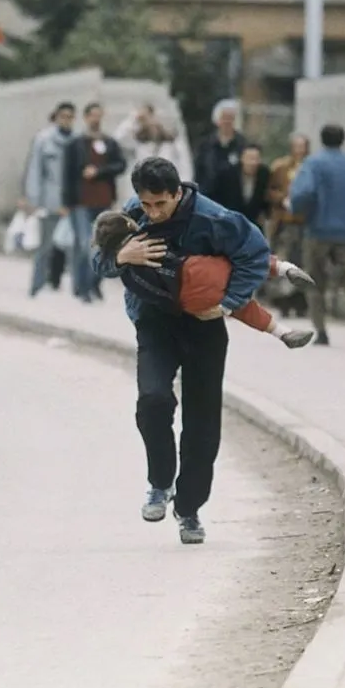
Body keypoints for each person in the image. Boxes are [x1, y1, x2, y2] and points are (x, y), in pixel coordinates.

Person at [91, 157, 271, 545]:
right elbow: (97, 260)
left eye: (161, 204)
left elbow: (255, 255)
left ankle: (189, 509)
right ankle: (160, 482)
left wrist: (229, 303)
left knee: (202, 424)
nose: (152, 213)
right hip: (154, 322)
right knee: (152, 400)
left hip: (204, 323)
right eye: (146, 204)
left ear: (177, 192)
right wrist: (121, 257)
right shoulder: (131, 216)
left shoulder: (214, 219)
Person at [91, 209, 315, 348]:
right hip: (194, 269)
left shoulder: (129, 274)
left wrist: (180, 306)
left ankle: (282, 332)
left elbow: (150, 292)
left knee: (243, 309)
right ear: (129, 223)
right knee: (234, 264)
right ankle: (283, 268)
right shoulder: (149, 230)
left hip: (187, 298)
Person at [287, 124, 345, 346]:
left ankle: (321, 330)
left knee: (313, 281)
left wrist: (299, 212)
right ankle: (337, 283)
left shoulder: (313, 164)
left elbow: (303, 192)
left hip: (317, 229)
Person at [63, 102, 126, 303]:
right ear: (86, 117)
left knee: (104, 245)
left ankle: (94, 284)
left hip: (104, 200)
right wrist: (66, 202)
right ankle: (82, 287)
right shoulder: (76, 144)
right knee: (84, 244)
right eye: (92, 115)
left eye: (99, 115)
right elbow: (67, 173)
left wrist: (99, 172)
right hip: (81, 201)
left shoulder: (110, 142)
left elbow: (120, 165)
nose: (95, 119)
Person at [25, 102, 76, 296]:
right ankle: (36, 286)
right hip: (50, 201)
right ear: (56, 117)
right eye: (63, 116)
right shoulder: (44, 140)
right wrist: (34, 200)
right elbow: (35, 170)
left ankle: (74, 290)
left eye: (70, 116)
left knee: (72, 246)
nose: (66, 120)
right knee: (45, 246)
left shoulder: (76, 141)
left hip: (72, 203)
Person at [262, 133, 311, 317]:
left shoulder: (311, 168)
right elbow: (270, 191)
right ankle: (282, 299)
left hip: (305, 222)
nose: (299, 150)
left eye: (303, 146)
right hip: (284, 222)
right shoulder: (280, 167)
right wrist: (282, 199)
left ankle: (300, 300)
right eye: (296, 146)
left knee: (302, 262)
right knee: (283, 260)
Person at [114, 103, 192, 181]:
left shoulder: (172, 142)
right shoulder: (138, 143)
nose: (150, 122)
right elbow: (118, 140)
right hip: (145, 187)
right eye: (143, 119)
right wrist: (132, 119)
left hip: (170, 186)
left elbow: (185, 165)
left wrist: (182, 184)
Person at [193, 99, 246, 206]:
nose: (227, 122)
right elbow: (198, 171)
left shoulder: (243, 145)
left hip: (234, 201)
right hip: (208, 198)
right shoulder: (205, 145)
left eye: (231, 118)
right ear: (217, 120)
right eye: (224, 118)